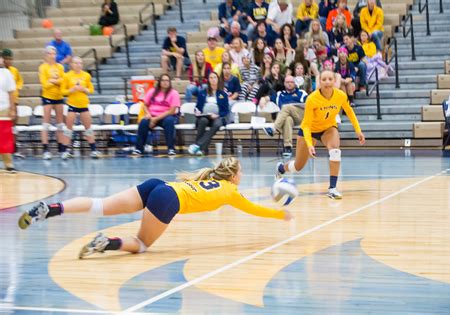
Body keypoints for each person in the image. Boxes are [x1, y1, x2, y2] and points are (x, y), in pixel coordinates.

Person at [18, 157, 293, 258]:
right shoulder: (231, 191)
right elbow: (255, 209)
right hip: (167, 199)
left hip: (159, 185)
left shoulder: (207, 178)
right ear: (233, 177)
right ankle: (107, 243)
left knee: (99, 205)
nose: (241, 177)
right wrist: (281, 213)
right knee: (142, 244)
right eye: (241, 173)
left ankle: (51, 208)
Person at [276, 70, 365, 199]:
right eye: (324, 79)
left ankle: (332, 188)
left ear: (334, 81)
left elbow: (350, 112)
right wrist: (309, 144)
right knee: (298, 166)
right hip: (310, 131)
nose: (327, 82)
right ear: (319, 82)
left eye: (330, 79)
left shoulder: (340, 95)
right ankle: (281, 168)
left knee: (335, 151)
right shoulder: (312, 98)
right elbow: (306, 125)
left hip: (328, 129)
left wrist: (358, 130)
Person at [60, 57, 101, 160]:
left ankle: (94, 150)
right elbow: (62, 91)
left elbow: (91, 89)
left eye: (80, 63)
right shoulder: (67, 76)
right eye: (76, 63)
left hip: (83, 105)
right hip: (72, 105)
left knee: (88, 129)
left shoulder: (86, 75)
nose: (78, 65)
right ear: (71, 64)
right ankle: (65, 151)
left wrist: (84, 89)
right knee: (69, 129)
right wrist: (71, 90)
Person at [133, 74, 181, 156]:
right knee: (143, 122)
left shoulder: (174, 93)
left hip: (167, 116)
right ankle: (139, 149)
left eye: (167, 80)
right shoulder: (152, 91)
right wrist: (148, 114)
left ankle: (171, 149)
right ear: (159, 82)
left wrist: (155, 119)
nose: (165, 82)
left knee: (169, 121)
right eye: (163, 80)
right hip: (152, 116)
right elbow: (145, 105)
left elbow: (171, 111)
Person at [262, 75, 308, 157]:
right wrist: (263, 99)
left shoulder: (301, 93)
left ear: (294, 83)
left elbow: (309, 103)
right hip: (287, 117)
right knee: (287, 119)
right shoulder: (280, 94)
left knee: (286, 107)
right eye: (287, 82)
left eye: (291, 82)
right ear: (284, 83)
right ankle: (288, 147)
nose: (290, 84)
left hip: (300, 116)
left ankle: (273, 129)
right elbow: (268, 98)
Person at [188, 72, 230, 155]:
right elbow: (198, 106)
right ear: (208, 80)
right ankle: (201, 149)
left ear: (218, 79)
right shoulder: (203, 92)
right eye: (211, 78)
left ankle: (197, 145)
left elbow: (226, 110)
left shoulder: (223, 93)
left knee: (218, 124)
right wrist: (197, 111)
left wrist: (218, 115)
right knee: (202, 121)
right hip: (205, 116)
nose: (213, 79)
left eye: (215, 77)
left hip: (218, 117)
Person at [38, 46, 67, 160]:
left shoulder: (59, 66)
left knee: (60, 124)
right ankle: (45, 150)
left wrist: (53, 81)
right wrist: (55, 81)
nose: (52, 56)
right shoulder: (43, 67)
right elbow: (44, 84)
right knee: (46, 124)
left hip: (58, 97)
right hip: (47, 97)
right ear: (46, 55)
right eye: (50, 53)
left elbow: (63, 81)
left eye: (54, 53)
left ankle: (61, 150)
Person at [2, 49, 24, 158]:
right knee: (4, 128)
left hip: (14, 101)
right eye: (7, 59)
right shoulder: (2, 72)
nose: (9, 61)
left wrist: (17, 88)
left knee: (13, 126)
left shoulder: (14, 70)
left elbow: (20, 81)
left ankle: (14, 147)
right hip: (4, 104)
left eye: (11, 59)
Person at [0, 55, 16, 173]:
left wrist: (12, 108)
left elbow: (11, 92)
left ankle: (8, 163)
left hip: (4, 107)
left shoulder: (6, 73)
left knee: (4, 137)